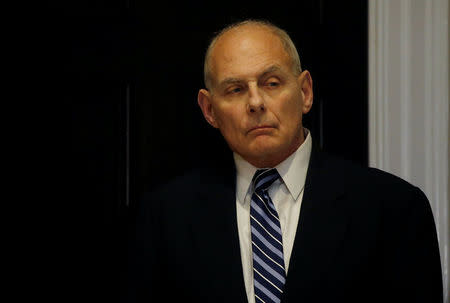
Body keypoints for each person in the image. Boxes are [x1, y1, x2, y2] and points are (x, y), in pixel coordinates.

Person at [123, 19, 443, 303]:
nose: (255, 102)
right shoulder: (166, 216)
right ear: (209, 110)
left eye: (271, 83)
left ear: (304, 92)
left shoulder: (394, 208)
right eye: (235, 89)